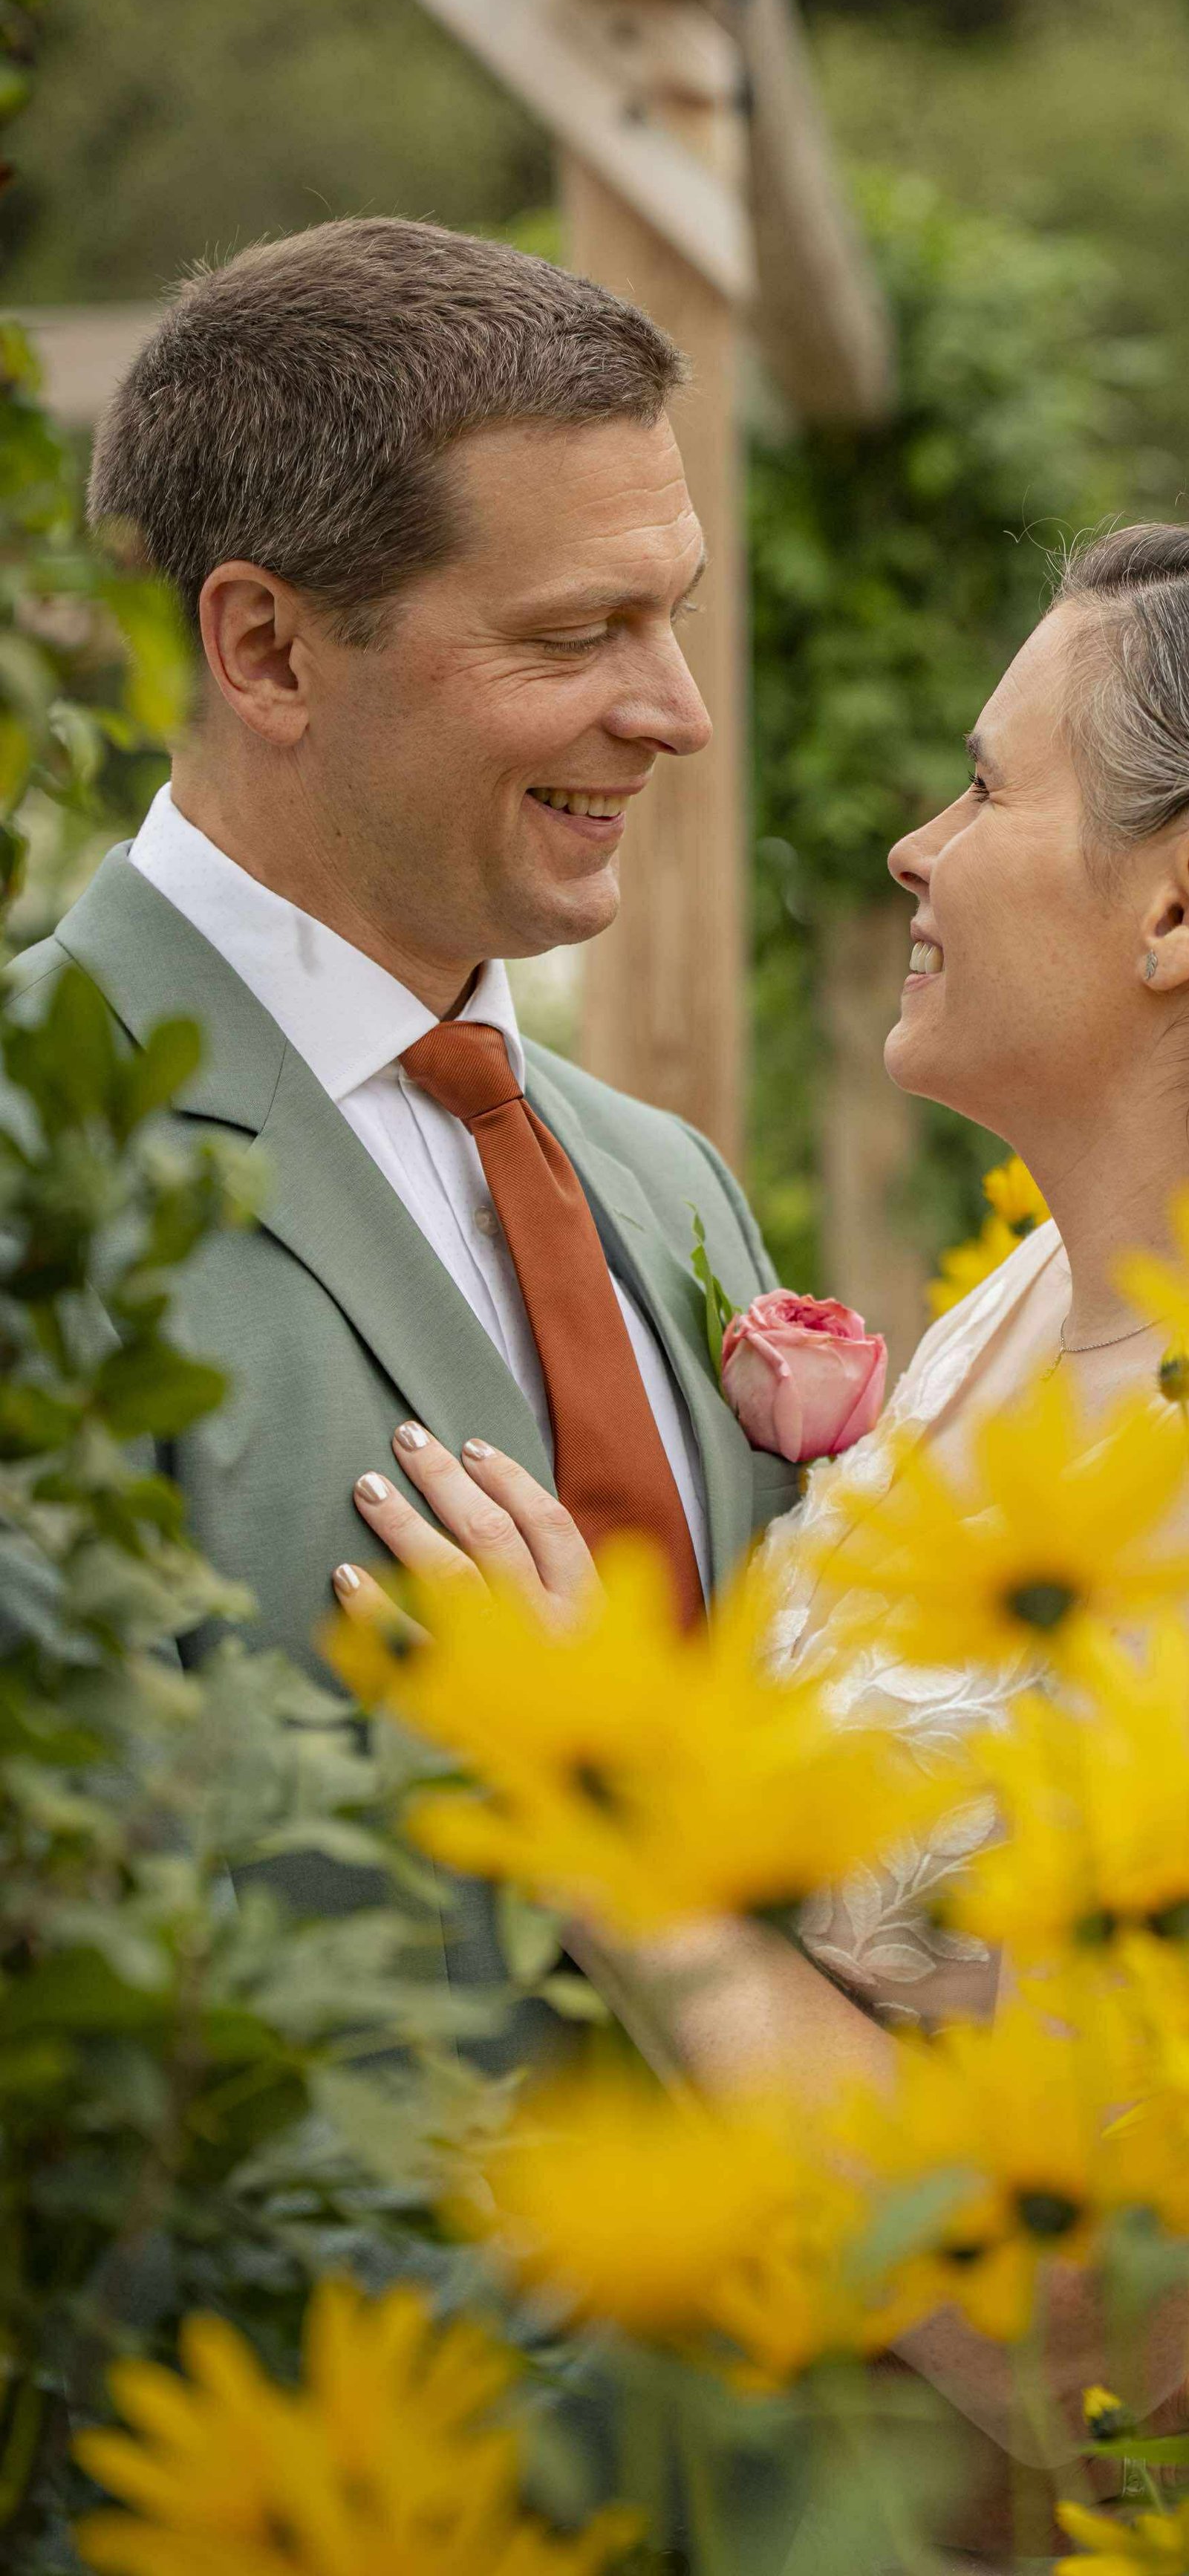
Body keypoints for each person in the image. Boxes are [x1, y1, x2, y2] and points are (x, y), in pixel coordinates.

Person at [345, 521, 1189, 2493]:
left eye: (986, 786)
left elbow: (1103, 2330)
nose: (915, 845)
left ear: (1186, 901)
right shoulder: (1021, 1317)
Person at [10, 218, 800, 1968]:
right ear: (269, 651)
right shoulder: (34, 1160)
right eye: (577, 631)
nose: (674, 711)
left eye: (668, 617)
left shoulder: (670, 1187)